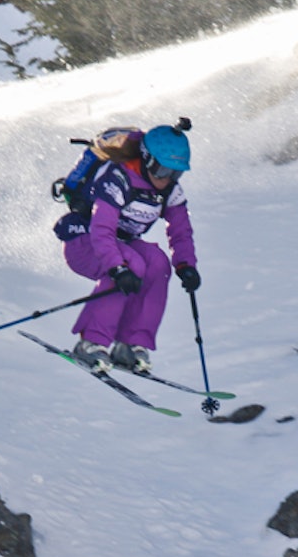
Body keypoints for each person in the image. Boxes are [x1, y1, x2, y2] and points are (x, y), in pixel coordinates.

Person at [53, 121, 201, 374]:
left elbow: (181, 230)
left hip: (120, 245)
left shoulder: (170, 191)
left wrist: (186, 265)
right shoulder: (119, 179)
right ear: (147, 160)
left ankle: (130, 344)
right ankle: (91, 343)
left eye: (175, 173)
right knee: (131, 264)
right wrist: (117, 268)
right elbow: (101, 230)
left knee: (157, 263)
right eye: (163, 170)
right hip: (84, 242)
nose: (167, 179)